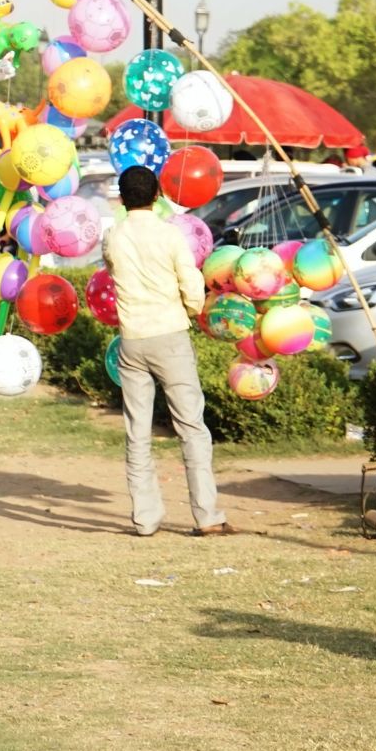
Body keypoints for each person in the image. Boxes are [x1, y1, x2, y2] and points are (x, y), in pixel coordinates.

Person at [99, 165, 232, 538]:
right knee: (191, 426)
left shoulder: (113, 237)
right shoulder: (170, 235)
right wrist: (191, 308)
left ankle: (145, 518)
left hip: (133, 339)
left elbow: (113, 271)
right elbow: (190, 284)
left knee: (137, 431)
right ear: (157, 195)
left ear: (122, 199)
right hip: (170, 335)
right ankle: (207, 516)